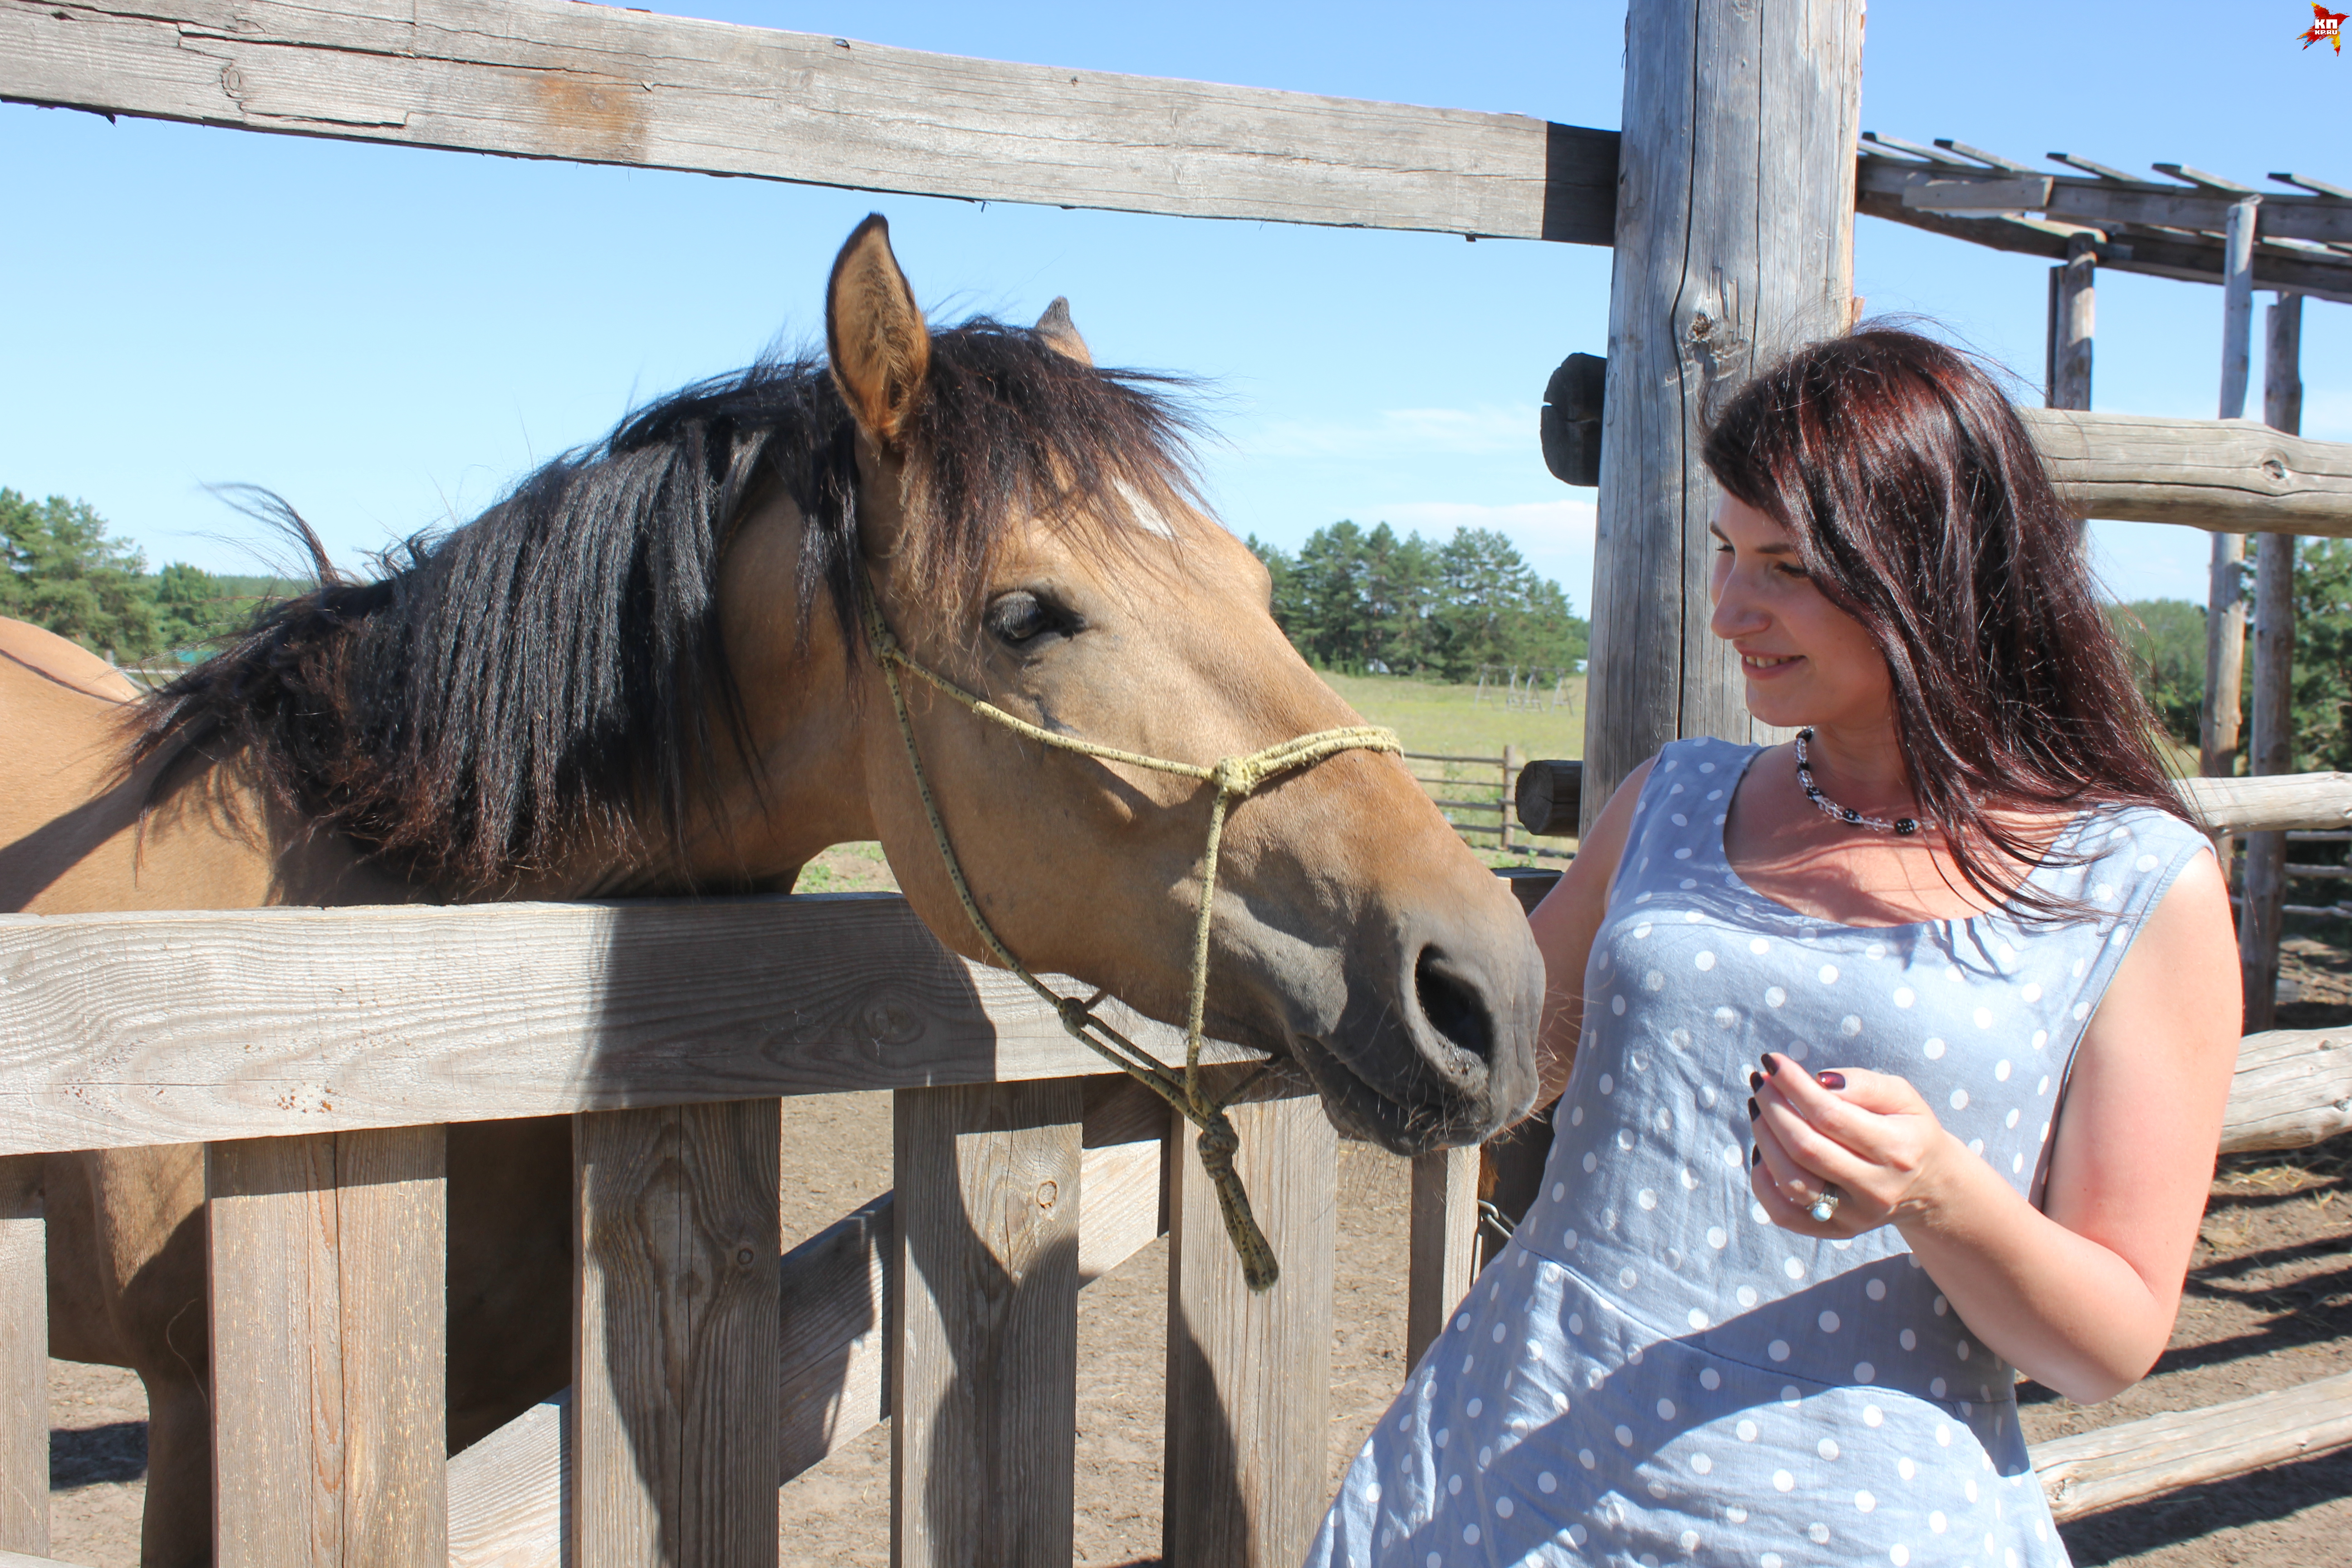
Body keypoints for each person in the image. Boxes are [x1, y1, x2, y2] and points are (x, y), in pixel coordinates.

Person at [1307, 327, 2241, 1568]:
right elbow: (1495, 1056)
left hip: (1848, 1524)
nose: (1730, 610)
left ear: (1941, 570)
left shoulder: (2133, 885)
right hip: (1509, 1474)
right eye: (1725, 554)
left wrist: (1937, 1193)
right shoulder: (1674, 798)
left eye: (1787, 567)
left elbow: (2107, 1343)